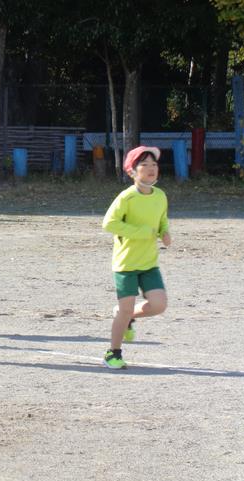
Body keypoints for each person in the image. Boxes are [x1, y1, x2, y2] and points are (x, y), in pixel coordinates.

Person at [101, 146, 171, 369]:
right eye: (145, 165)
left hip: (149, 263)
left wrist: (165, 232)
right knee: (125, 308)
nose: (151, 169)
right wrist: (141, 233)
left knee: (159, 305)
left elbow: (161, 220)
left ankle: (129, 316)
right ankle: (113, 353)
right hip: (126, 265)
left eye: (154, 165)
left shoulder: (160, 196)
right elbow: (109, 223)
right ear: (132, 171)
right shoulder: (127, 197)